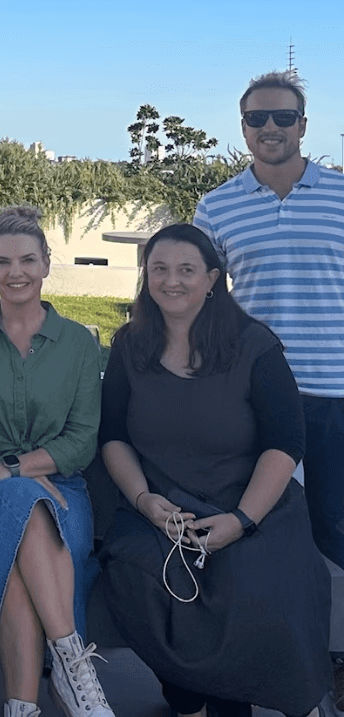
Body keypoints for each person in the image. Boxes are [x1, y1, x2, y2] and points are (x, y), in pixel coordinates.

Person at [99, 223, 330, 717]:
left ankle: (233, 705)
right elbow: (112, 435)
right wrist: (144, 500)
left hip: (249, 504)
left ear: (212, 279)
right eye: (159, 269)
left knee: (248, 586)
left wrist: (242, 520)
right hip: (158, 509)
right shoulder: (129, 346)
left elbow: (286, 442)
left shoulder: (255, 346)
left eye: (186, 269)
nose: (171, 281)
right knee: (140, 579)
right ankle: (186, 699)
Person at [193, 70, 344, 707]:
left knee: (335, 534)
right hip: (254, 401)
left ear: (304, 125)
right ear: (243, 127)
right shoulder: (216, 207)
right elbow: (198, 302)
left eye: (283, 117)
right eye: (258, 118)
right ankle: (265, 675)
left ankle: (330, 672)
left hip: (337, 397)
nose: (271, 128)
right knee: (261, 540)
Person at [0, 205, 112, 717]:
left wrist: (13, 472)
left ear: (46, 263)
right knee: (22, 504)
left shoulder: (78, 343)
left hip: (63, 494)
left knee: (14, 564)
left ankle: (20, 707)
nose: (16, 272)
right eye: (3, 261)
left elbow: (82, 441)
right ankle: (73, 663)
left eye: (28, 260)